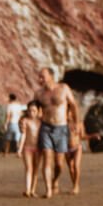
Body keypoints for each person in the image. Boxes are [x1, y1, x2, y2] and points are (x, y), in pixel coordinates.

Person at [34, 67, 79, 199]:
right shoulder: (39, 93)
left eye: (42, 76)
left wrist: (76, 123)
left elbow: (73, 105)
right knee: (47, 159)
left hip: (61, 128)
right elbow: (33, 109)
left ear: (51, 76)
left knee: (59, 164)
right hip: (46, 127)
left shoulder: (63, 88)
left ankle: (54, 181)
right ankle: (48, 189)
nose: (40, 79)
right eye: (39, 76)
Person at [17, 100, 43, 198]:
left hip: (38, 148)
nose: (31, 113)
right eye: (30, 111)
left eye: (34, 111)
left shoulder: (41, 122)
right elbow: (23, 135)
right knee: (29, 168)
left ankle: (33, 190)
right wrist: (19, 149)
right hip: (27, 148)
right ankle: (27, 189)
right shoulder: (25, 121)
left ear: (38, 111)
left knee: (36, 170)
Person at [3, 94, 23, 158]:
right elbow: (21, 114)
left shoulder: (9, 106)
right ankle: (18, 153)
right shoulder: (19, 106)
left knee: (8, 139)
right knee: (17, 139)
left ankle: (6, 153)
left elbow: (8, 116)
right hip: (18, 123)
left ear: (10, 98)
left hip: (11, 123)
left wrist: (5, 124)